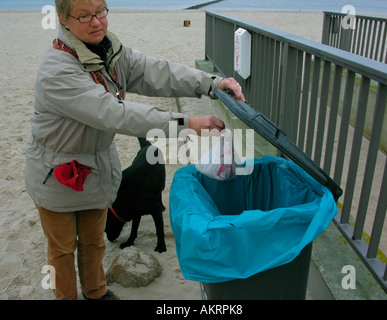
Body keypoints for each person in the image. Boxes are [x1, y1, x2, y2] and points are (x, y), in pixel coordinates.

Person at [25, 0, 245, 300]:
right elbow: (116, 113)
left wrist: (210, 83)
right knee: (62, 250)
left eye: (101, 11)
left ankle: (96, 293)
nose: (96, 22)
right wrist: (188, 123)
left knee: (94, 241)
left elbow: (157, 71)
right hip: (56, 174)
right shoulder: (58, 71)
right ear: (63, 19)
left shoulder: (109, 51)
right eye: (85, 16)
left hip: (97, 168)